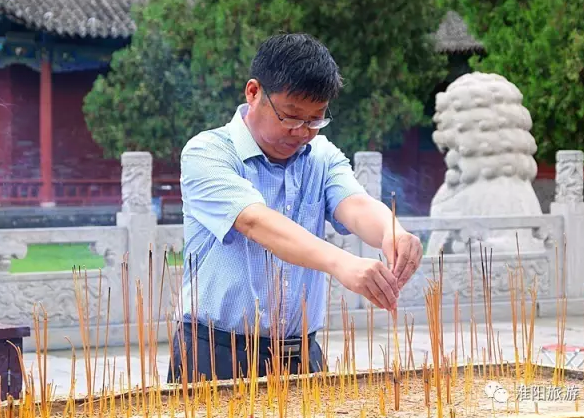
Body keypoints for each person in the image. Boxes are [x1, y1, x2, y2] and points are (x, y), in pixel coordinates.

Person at [167, 33, 423, 384]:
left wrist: (393, 232)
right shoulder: (207, 153)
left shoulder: (322, 156)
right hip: (215, 353)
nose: (302, 131)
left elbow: (356, 204)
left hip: (300, 354)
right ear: (254, 92)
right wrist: (341, 263)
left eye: (315, 120)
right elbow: (256, 221)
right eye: (291, 116)